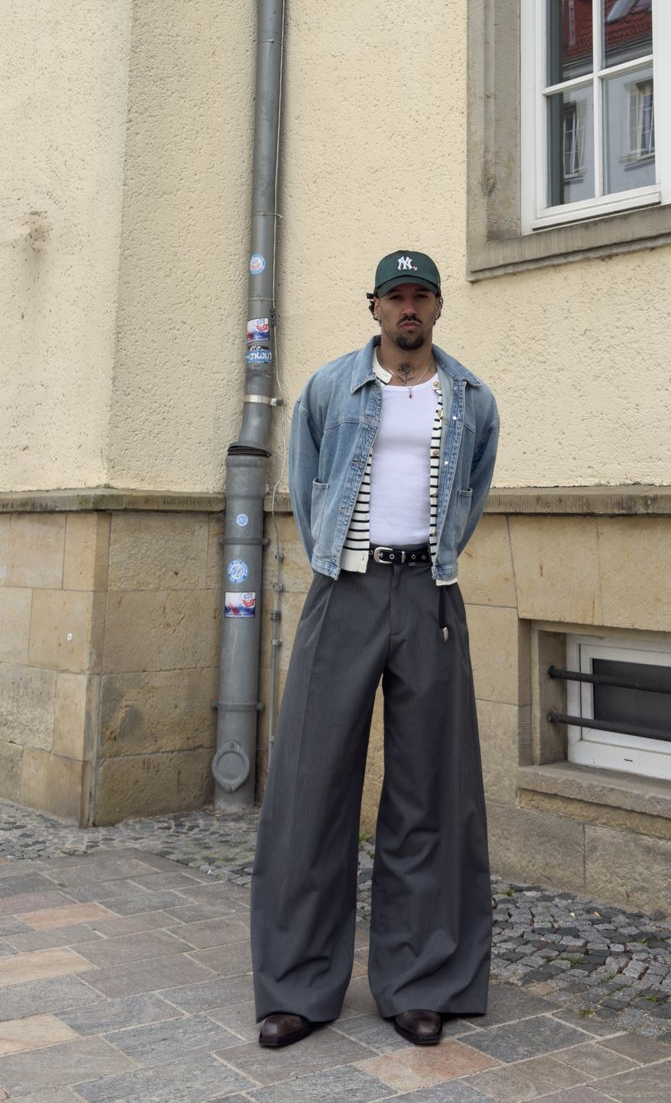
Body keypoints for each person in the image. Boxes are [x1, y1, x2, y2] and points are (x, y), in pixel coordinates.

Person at [250, 249, 499, 1049]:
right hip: (345, 591)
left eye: (422, 297)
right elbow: (306, 479)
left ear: (436, 309)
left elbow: (472, 494)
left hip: (429, 593)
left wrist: (430, 564)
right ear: (375, 308)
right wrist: (340, 559)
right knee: (309, 789)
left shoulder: (470, 399)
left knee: (432, 791)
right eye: (397, 298)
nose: (409, 310)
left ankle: (421, 982)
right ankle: (296, 988)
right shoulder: (331, 388)